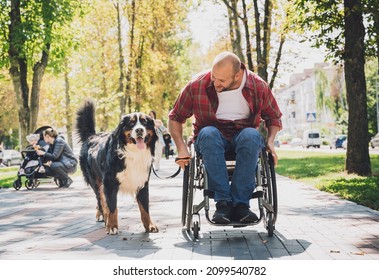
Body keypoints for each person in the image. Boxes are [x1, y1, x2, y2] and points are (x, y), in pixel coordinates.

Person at [168, 51, 282, 224]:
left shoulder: (258, 86)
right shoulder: (198, 84)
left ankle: (241, 205)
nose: (215, 83)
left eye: (221, 81)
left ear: (237, 75)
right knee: (208, 133)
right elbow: (175, 117)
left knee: (252, 135)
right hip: (210, 139)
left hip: (243, 137)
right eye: (214, 77)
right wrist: (181, 148)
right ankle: (223, 204)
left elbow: (273, 117)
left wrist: (271, 142)